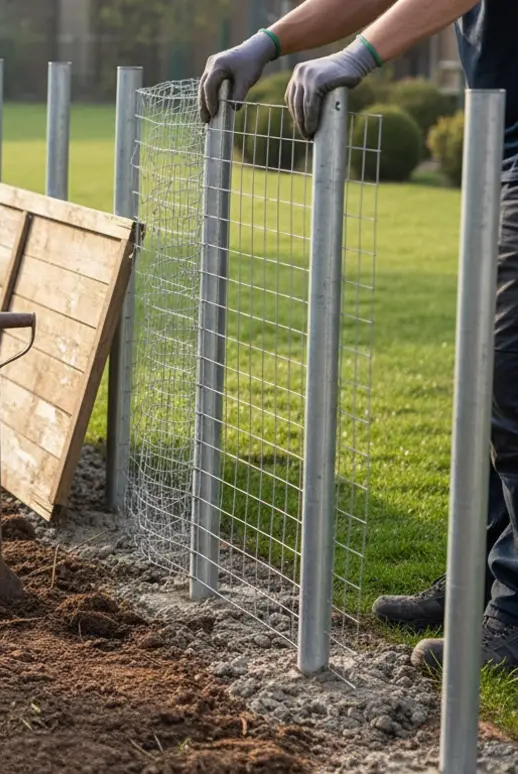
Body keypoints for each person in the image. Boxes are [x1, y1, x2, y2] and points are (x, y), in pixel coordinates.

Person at [198, 0, 518, 671]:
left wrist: (360, 54)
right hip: (502, 147)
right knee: (488, 383)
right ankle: (481, 585)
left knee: (511, 386)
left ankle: (513, 613)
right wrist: (270, 40)